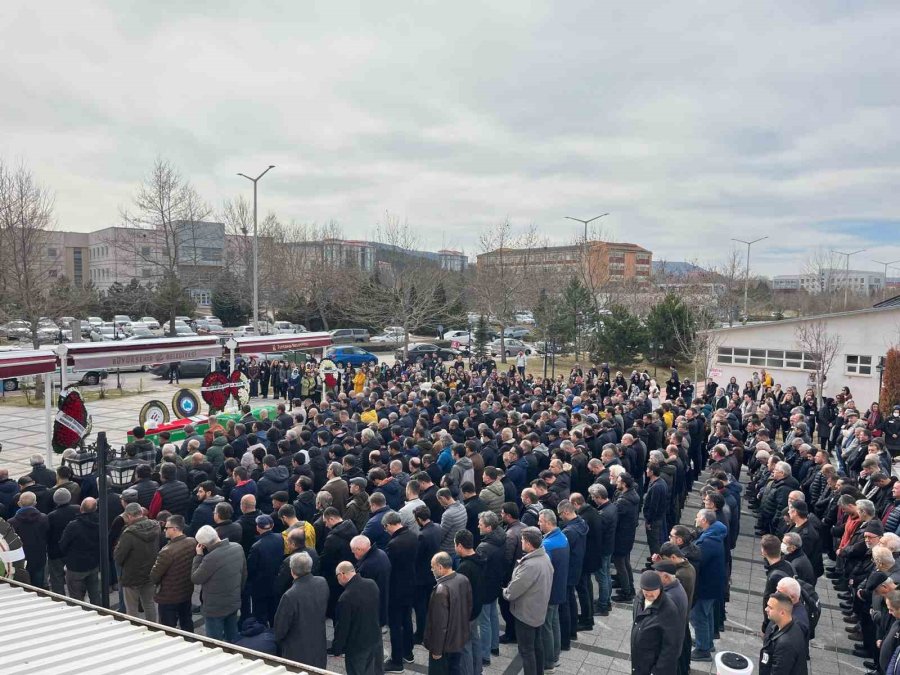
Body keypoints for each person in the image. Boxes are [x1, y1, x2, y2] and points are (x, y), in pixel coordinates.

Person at [503, 527, 553, 675]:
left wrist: (504, 591)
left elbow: (513, 591)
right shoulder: (544, 557)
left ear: (529, 543)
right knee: (537, 646)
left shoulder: (530, 565)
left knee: (526, 651)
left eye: (523, 540)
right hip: (538, 610)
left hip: (526, 614)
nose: (521, 542)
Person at [191, 525, 247, 643]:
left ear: (204, 545)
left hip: (214, 608)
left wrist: (198, 556)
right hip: (233, 601)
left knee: (214, 643)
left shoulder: (210, 558)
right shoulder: (238, 547)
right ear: (216, 535)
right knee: (232, 637)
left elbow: (196, 578)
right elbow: (243, 575)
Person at [273, 551, 329, 668]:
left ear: (292, 571)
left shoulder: (290, 595)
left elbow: (280, 629)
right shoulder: (322, 582)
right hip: (318, 645)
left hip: (296, 651)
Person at [424, 551, 472, 675]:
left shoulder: (441, 591)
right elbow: (468, 607)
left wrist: (437, 650)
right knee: (455, 669)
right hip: (459, 639)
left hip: (444, 646)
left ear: (440, 567)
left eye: (432, 567)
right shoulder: (463, 579)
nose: (431, 570)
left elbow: (440, 625)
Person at [332, 561, 384, 675]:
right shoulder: (371, 584)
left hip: (357, 647)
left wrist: (337, 649)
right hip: (374, 638)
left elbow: (342, 627)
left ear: (342, 574)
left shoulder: (345, 598)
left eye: (337, 577)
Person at [690, 508, 727, 662]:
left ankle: (703, 649)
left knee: (698, 617)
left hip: (706, 586)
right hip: (713, 585)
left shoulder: (708, 541)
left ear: (705, 521)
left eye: (698, 517)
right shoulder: (713, 535)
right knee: (707, 614)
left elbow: (698, 560)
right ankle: (706, 641)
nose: (696, 519)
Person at [114, 502, 161, 622]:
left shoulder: (128, 533)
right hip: (151, 571)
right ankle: (153, 627)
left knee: (132, 607)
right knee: (149, 603)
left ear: (129, 516)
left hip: (131, 575)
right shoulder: (156, 526)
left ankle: (134, 630)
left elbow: (119, 557)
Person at [383, 510, 418, 672]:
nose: (386, 530)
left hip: (396, 589)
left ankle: (396, 661)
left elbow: (388, 567)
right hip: (410, 585)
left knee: (395, 625)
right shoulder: (412, 535)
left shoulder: (394, 543)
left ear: (390, 524)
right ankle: (408, 653)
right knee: (407, 620)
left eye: (386, 528)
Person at [630, 571, 683, 675]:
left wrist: (656, 672)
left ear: (660, 587)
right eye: (646, 591)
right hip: (639, 664)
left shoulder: (669, 610)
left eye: (653, 590)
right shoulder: (639, 599)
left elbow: (671, 648)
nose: (649, 594)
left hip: (654, 669)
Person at [150, 514, 197, 631]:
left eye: (167, 528)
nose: (164, 530)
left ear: (175, 529)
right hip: (186, 591)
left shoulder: (167, 551)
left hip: (168, 596)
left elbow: (154, 576)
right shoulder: (192, 542)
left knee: (168, 629)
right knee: (186, 621)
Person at [538, 509, 569, 672]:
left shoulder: (547, 545)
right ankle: (556, 655)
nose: (538, 524)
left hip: (549, 592)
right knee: (554, 622)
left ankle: (549, 660)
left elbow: (544, 570)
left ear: (549, 523)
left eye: (541, 521)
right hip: (559, 588)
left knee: (546, 626)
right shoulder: (563, 537)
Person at [58, 497, 101, 605]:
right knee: (95, 593)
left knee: (75, 597)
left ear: (81, 509)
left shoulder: (73, 526)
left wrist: (66, 558)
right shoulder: (101, 523)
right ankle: (100, 614)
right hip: (93, 563)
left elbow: (63, 544)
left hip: (75, 566)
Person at [247, 514, 285, 627]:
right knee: (274, 612)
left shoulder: (256, 546)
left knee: (260, 616)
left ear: (258, 527)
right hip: (276, 583)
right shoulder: (280, 538)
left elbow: (251, 568)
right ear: (272, 526)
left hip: (260, 587)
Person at [759, 592, 808, 675]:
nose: (766, 609)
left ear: (782, 613)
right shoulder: (790, 624)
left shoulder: (785, 644)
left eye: (770, 608)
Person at [8, 491, 49, 588]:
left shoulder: (11, 522)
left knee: (23, 587)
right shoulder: (44, 518)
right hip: (39, 556)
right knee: (38, 586)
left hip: (20, 559)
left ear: (19, 503)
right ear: (35, 503)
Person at [352, 534, 392, 628]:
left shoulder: (367, 566)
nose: (353, 554)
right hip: (383, 601)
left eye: (354, 552)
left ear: (359, 550)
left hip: (372, 610)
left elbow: (361, 591)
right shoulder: (381, 553)